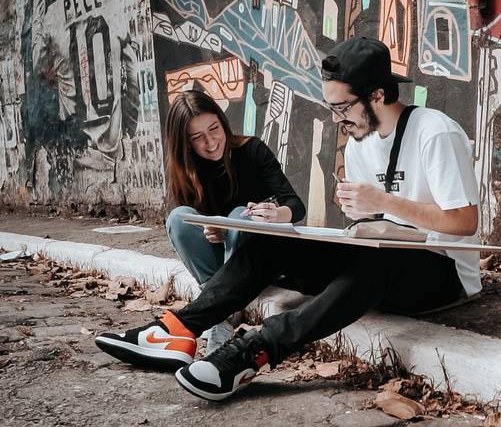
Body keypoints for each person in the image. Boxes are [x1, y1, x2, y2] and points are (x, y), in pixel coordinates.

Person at [95, 36, 480, 402]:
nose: (335, 120)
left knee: (381, 259)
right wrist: (362, 216)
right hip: (381, 265)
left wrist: (384, 201)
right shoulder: (361, 142)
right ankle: (178, 330)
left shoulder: (434, 132)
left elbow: (464, 222)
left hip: (442, 275)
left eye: (341, 107)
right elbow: (381, 225)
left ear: (377, 95)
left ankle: (254, 352)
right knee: (272, 236)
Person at [163, 90, 306, 353]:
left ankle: (221, 312)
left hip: (256, 258)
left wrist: (276, 213)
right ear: (185, 144)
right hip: (218, 262)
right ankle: (221, 305)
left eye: (214, 128)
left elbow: (296, 205)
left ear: (222, 121)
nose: (211, 142)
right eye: (197, 138)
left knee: (240, 215)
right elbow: (191, 222)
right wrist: (211, 229)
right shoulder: (186, 169)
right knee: (178, 217)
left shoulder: (252, 150)